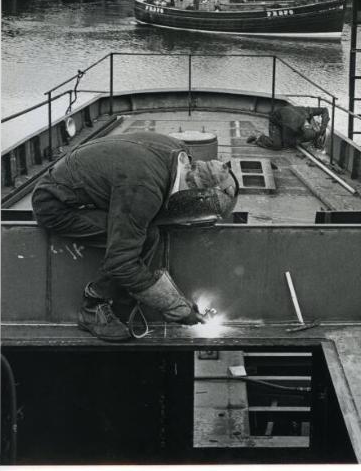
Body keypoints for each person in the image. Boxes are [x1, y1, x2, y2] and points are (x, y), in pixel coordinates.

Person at [32, 132, 239, 342]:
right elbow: (121, 262)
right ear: (196, 194)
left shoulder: (178, 151)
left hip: (88, 191)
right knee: (143, 238)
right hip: (56, 205)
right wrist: (176, 308)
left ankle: (124, 296)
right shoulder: (144, 189)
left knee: (146, 232)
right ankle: (93, 306)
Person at [247, 105, 330, 150]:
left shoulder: (307, 111)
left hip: (288, 116)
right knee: (278, 145)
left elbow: (324, 110)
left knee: (308, 135)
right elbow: (288, 141)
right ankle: (259, 138)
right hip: (276, 122)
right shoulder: (292, 125)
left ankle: (312, 136)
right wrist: (300, 139)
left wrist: (323, 127)